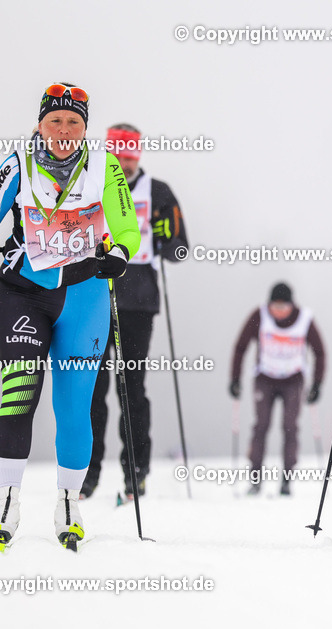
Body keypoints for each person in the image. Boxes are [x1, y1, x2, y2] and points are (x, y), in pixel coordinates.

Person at [0, 83, 140, 550]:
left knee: (74, 407)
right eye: (55, 121)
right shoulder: (17, 164)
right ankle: (6, 499)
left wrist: (122, 253)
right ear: (40, 125)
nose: (64, 130)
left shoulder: (103, 164)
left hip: (85, 296)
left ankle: (69, 501)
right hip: (22, 294)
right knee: (19, 394)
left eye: (73, 122)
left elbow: (126, 222)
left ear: (85, 127)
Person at [83, 124, 189, 500]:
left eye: (130, 156)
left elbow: (181, 250)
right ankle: (87, 472)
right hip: (94, 296)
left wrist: (166, 237)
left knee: (131, 389)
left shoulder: (157, 192)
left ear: (138, 156)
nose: (124, 163)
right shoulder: (91, 182)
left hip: (138, 303)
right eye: (118, 155)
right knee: (92, 390)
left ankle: (135, 473)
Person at [230, 283, 325, 495]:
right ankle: (255, 480)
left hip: (293, 380)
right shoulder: (259, 315)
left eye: (284, 307)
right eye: (275, 306)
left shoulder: (304, 319)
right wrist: (235, 379)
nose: (279, 312)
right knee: (261, 426)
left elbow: (319, 351)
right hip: (265, 378)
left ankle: (286, 480)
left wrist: (317, 384)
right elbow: (240, 347)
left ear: (292, 305)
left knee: (290, 427)